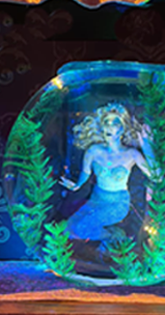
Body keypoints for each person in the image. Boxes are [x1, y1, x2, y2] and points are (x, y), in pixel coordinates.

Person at [60, 103, 154, 241]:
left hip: (118, 203)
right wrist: (77, 185)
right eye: (106, 122)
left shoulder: (131, 154)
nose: (110, 127)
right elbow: (85, 172)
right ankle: (108, 241)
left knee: (81, 228)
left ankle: (116, 237)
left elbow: (156, 176)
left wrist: (147, 148)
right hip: (96, 198)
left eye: (115, 123)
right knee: (68, 228)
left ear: (123, 128)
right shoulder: (93, 151)